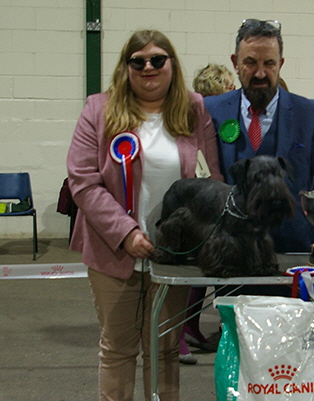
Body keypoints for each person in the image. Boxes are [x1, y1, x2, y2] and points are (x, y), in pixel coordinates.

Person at [67, 30, 223, 401]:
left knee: (165, 349)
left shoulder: (194, 108)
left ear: (172, 64)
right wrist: (126, 233)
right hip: (112, 251)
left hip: (174, 255)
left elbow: (211, 180)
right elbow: (83, 181)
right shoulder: (98, 109)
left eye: (157, 59)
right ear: (126, 67)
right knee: (118, 349)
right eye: (137, 61)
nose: (148, 67)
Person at [204, 19, 314, 264]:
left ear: (280, 64)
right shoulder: (210, 110)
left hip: (292, 254)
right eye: (250, 62)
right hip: (227, 250)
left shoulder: (309, 114)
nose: (260, 73)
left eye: (269, 63)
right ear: (236, 63)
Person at [178, 63, 236, 365]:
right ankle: (177, 332)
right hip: (201, 198)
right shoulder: (199, 113)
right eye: (229, 86)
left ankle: (190, 327)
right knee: (193, 270)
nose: (233, 91)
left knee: (205, 269)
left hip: (215, 194)